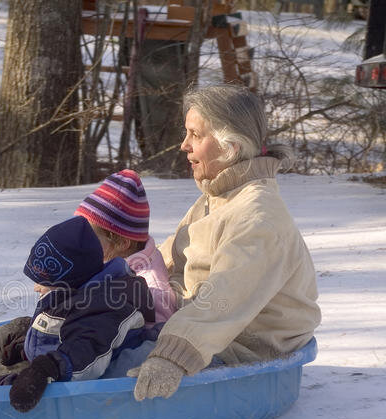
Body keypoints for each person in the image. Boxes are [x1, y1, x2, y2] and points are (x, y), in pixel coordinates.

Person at [129, 84, 321, 401]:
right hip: (192, 325)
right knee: (87, 339)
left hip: (241, 347)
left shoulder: (258, 217)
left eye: (195, 135)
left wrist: (170, 356)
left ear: (230, 145)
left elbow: (223, 300)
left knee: (117, 366)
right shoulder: (215, 200)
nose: (183, 145)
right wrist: (86, 300)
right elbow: (161, 264)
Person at [0, 216, 156, 412]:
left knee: (19, 376)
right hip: (56, 348)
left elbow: (86, 354)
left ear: (70, 280)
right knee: (20, 328)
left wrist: (45, 368)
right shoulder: (80, 286)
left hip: (75, 372)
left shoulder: (108, 305)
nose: (36, 288)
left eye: (44, 283)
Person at [74, 168, 178, 325]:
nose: (81, 241)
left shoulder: (151, 291)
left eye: (90, 236)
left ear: (122, 243)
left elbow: (154, 340)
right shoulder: (108, 258)